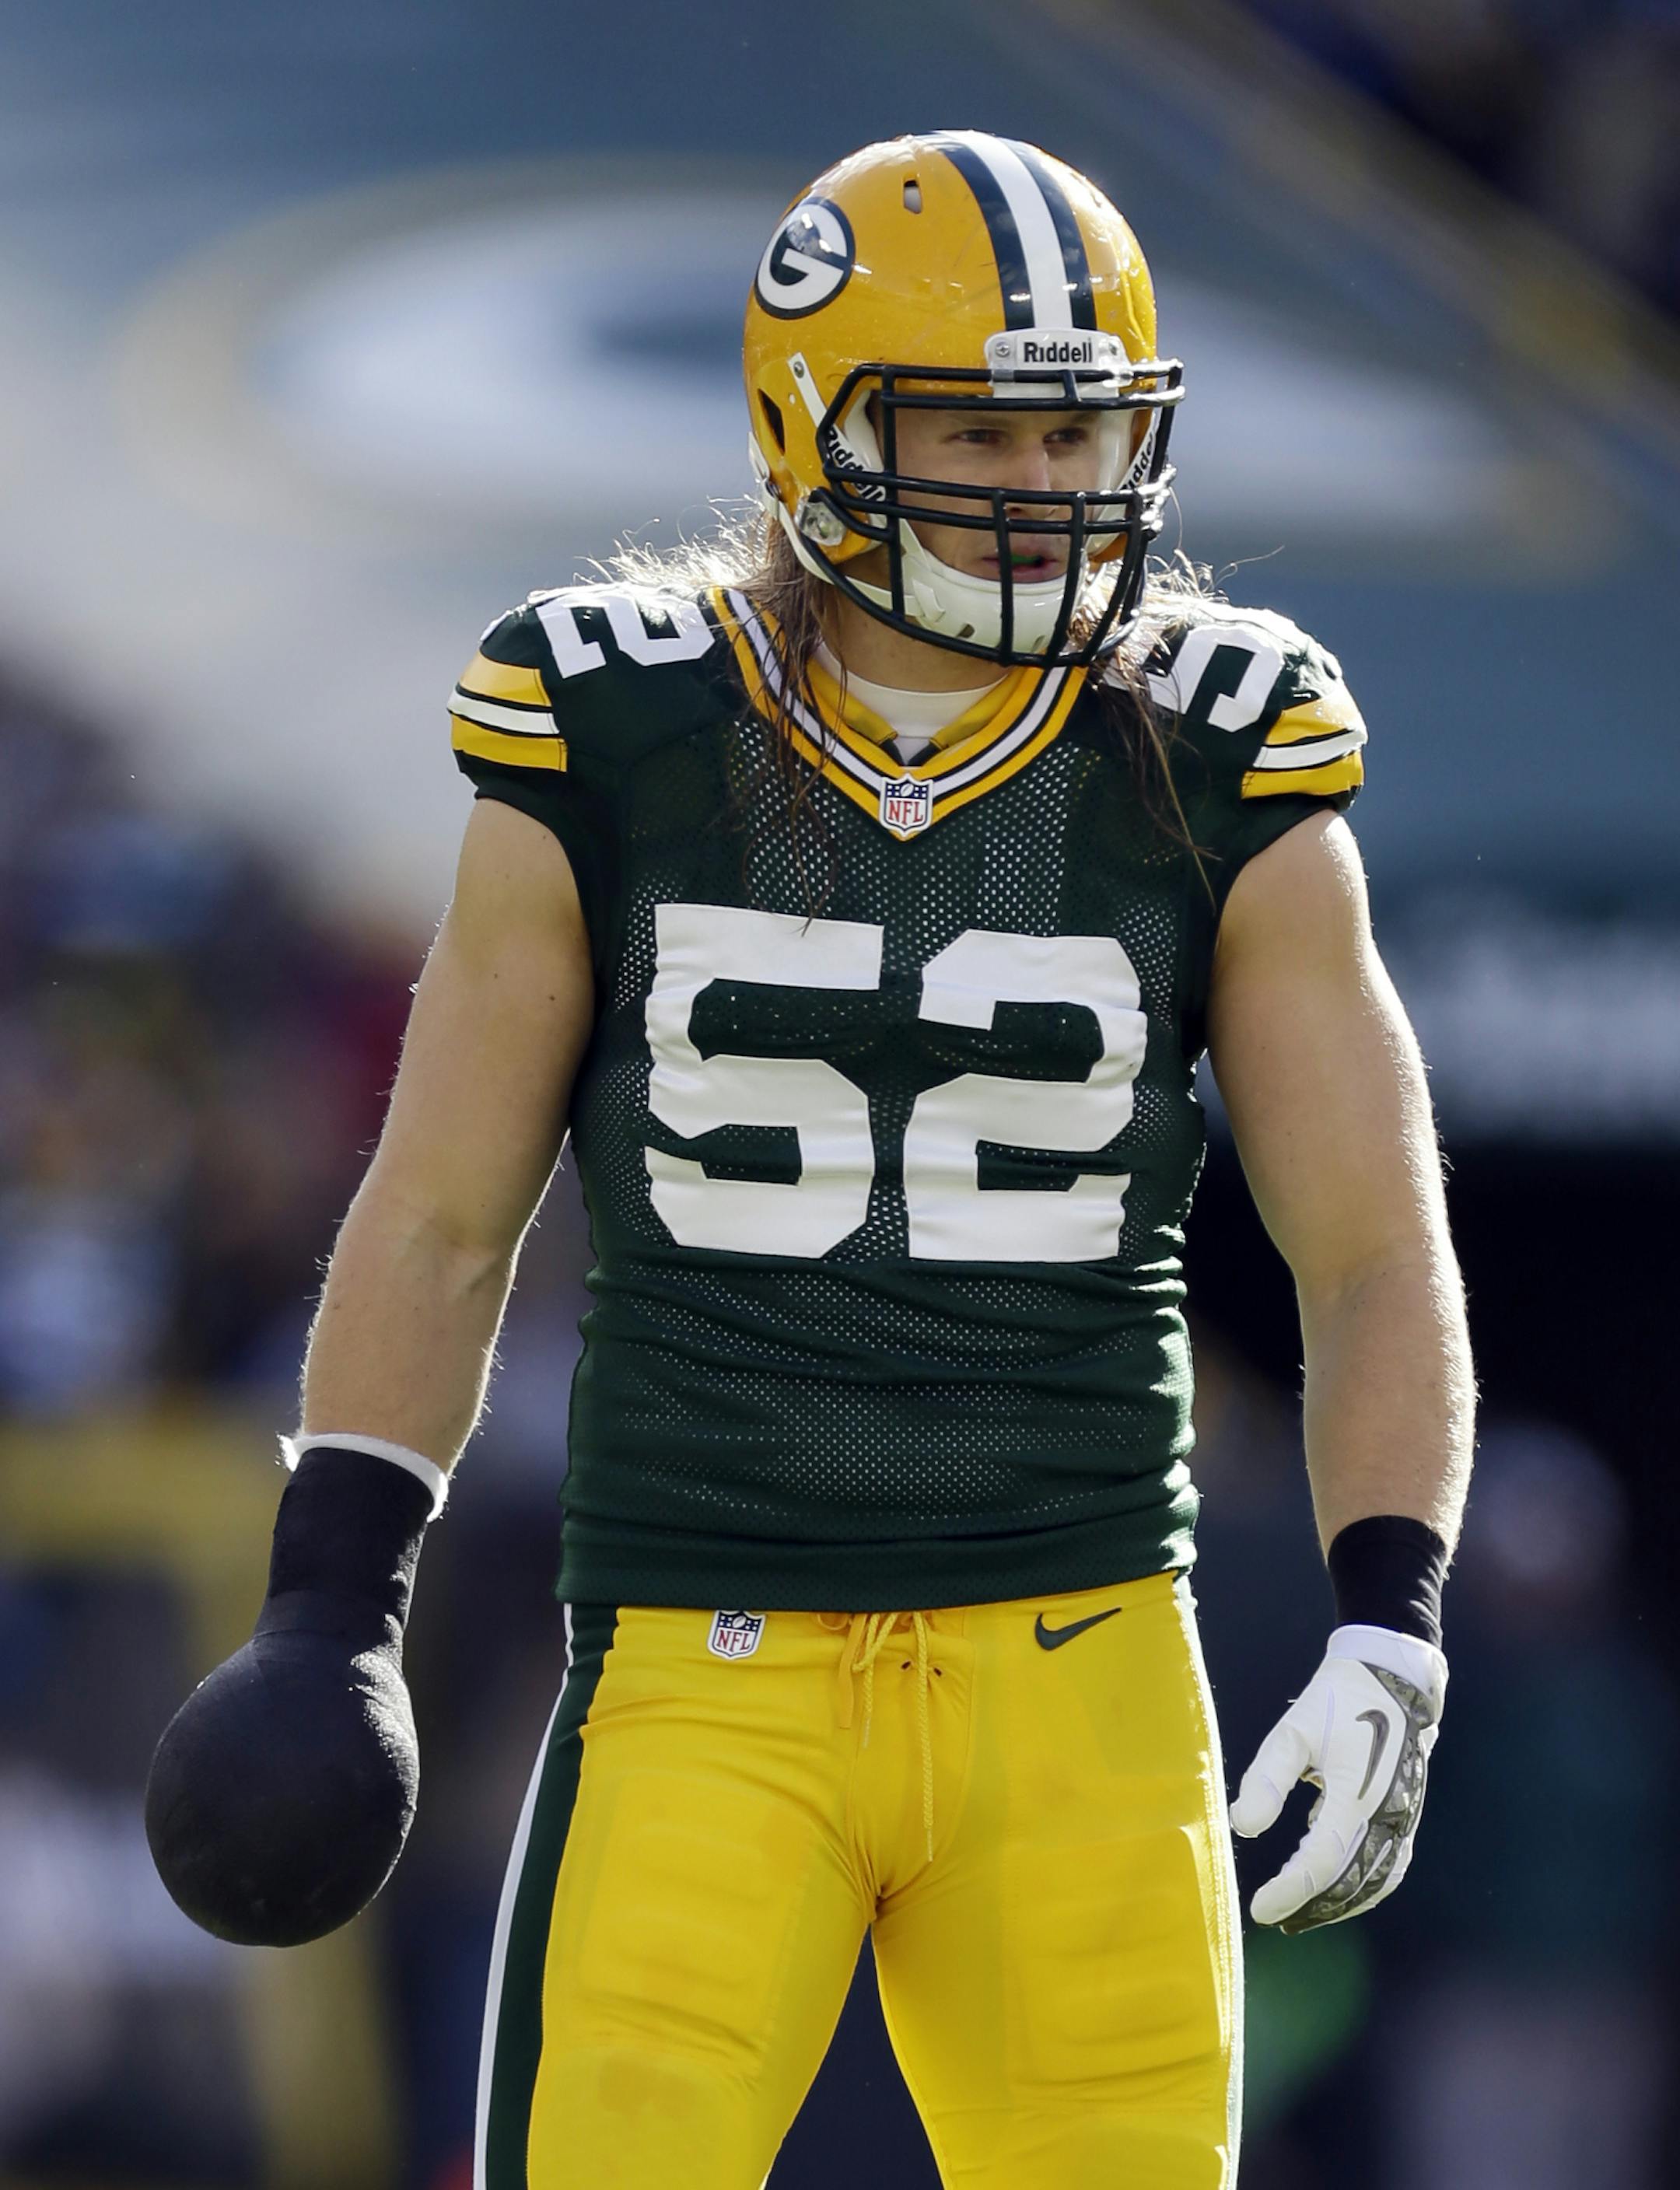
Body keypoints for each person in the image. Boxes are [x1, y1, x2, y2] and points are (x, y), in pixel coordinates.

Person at [145, 131, 1474, 2188]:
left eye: (1080, 434)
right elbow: (438, 1214)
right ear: (808, 416)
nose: (1040, 490)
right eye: (977, 426)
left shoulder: (1222, 743)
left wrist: (1393, 1614)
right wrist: (332, 1607)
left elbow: (1375, 1243)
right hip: (708, 1658)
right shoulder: (617, 725)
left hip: (1088, 1668)